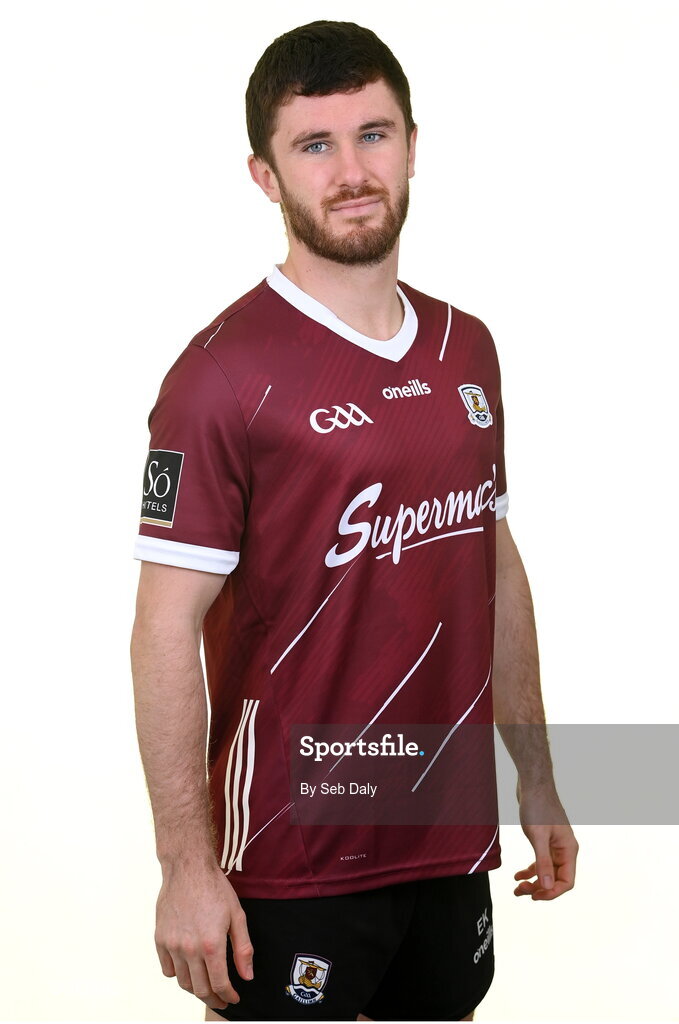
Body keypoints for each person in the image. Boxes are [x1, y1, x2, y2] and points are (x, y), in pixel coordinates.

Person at [130, 20, 578, 1023]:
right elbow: (163, 628)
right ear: (264, 173)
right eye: (314, 144)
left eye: (372, 134)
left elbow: (490, 563)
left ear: (411, 144)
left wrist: (538, 777)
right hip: (292, 852)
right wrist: (185, 868)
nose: (350, 170)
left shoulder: (468, 349)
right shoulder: (220, 377)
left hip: (445, 829)